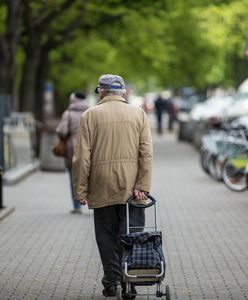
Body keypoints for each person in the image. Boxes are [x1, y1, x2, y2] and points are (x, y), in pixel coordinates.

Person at [72, 74, 153, 298]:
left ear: (101, 92)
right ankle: (131, 280)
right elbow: (146, 153)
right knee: (132, 234)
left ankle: (112, 281)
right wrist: (143, 185)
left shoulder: (90, 115)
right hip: (132, 188)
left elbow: (81, 158)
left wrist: (80, 189)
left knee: (106, 236)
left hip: (101, 185)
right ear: (123, 92)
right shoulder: (138, 114)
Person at [56, 91, 89, 214]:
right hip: (89, 148)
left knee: (73, 178)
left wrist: (58, 129)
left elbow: (62, 131)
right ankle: (95, 203)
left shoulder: (68, 114)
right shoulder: (91, 111)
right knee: (91, 176)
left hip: (72, 149)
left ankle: (77, 206)